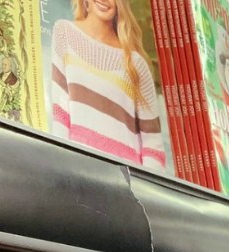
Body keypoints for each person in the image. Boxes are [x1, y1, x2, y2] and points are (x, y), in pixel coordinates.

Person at [49, 0, 167, 169]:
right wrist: (62, 168)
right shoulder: (65, 33)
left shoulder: (136, 65)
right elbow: (60, 115)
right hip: (77, 170)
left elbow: (153, 146)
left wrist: (142, 188)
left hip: (125, 182)